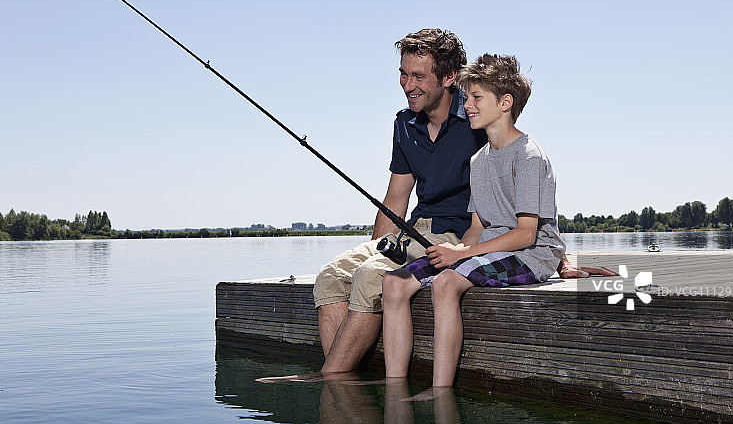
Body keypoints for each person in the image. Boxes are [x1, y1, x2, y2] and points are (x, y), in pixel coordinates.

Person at [256, 31, 611, 384]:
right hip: (415, 230)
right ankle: (345, 377)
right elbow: (396, 197)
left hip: (453, 234)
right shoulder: (405, 123)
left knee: (370, 279)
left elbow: (520, 205)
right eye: (403, 74)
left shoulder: (476, 119)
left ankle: (331, 380)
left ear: (448, 77)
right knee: (332, 278)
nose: (407, 84)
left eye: (418, 76)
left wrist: (558, 259)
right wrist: (377, 250)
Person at [381, 53, 566, 389]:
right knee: (394, 283)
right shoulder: (479, 159)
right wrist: (456, 249)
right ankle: (394, 388)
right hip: (489, 249)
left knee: (446, 283)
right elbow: (478, 227)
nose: (467, 105)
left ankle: (439, 391)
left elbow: (526, 234)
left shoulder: (529, 156)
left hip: (532, 254)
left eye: (477, 97)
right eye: (467, 98)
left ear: (505, 102)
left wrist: (461, 256)